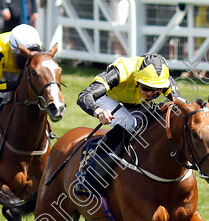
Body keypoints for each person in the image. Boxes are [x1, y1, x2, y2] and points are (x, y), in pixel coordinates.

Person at [73, 53, 176, 198]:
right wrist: (99, 112)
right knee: (130, 123)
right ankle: (88, 172)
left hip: (137, 104)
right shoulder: (121, 71)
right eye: (146, 87)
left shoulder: (162, 79)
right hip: (108, 99)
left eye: (156, 90)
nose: (151, 93)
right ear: (137, 79)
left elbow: (181, 105)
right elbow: (84, 96)